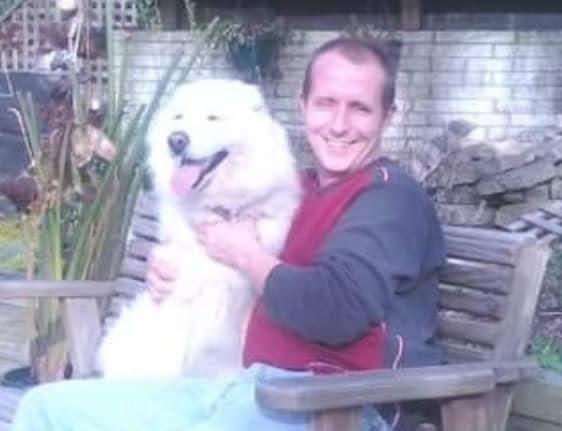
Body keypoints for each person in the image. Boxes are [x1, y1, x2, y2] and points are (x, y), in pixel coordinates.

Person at [11, 36, 445, 431]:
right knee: (45, 409)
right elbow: (249, 282)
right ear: (303, 106)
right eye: (326, 103)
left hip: (335, 407)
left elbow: (335, 309)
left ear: (388, 116)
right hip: (241, 391)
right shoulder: (298, 191)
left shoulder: (391, 200)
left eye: (360, 108)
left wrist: (243, 253)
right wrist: (177, 268)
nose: (339, 124)